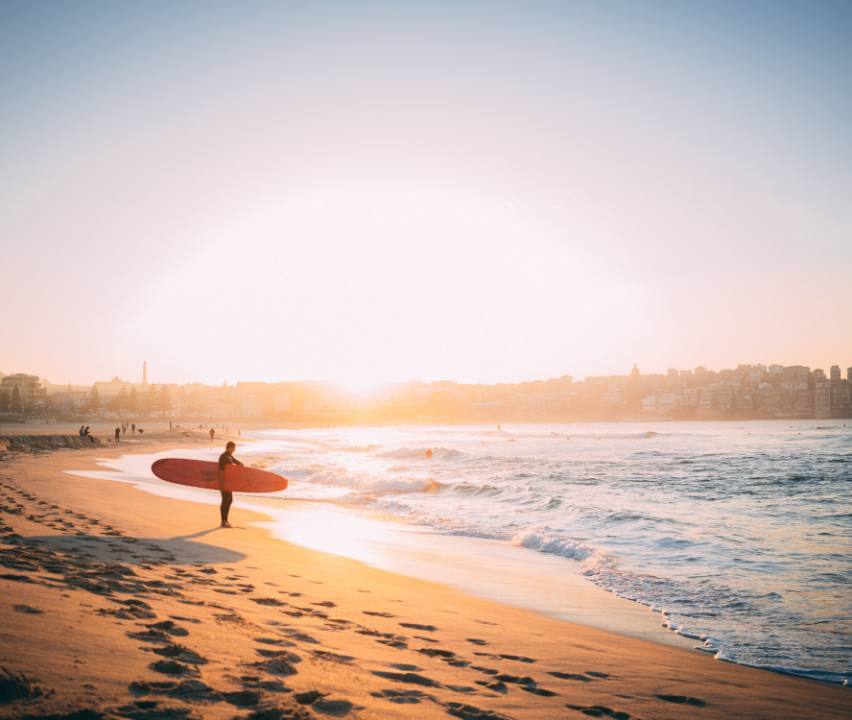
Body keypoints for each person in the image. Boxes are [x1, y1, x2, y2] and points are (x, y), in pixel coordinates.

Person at [218, 441, 243, 528]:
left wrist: (240, 464)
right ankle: (223, 521)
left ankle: (225, 520)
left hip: (229, 482)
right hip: (224, 482)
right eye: (233, 448)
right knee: (226, 500)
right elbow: (221, 471)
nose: (234, 450)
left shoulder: (229, 456)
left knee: (229, 500)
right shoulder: (223, 457)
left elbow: (236, 461)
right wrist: (222, 484)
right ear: (229, 447)